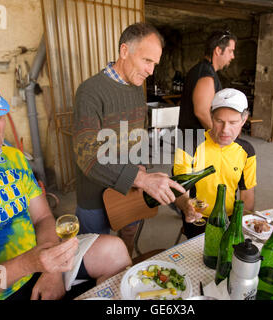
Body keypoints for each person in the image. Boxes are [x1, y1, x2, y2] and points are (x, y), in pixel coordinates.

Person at [0, 65, 132, 300]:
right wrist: (28, 265)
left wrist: (50, 271)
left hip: (38, 262)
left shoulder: (11, 156)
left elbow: (43, 217)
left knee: (114, 251)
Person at [73, 22, 186, 255]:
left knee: (127, 242)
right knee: (94, 254)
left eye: (155, 64)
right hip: (95, 198)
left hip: (130, 188)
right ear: (124, 51)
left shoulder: (136, 88)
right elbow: (87, 157)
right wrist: (143, 180)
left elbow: (141, 132)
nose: (151, 71)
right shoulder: (90, 92)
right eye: (147, 61)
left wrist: (144, 168)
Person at [173, 88, 257, 238]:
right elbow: (179, 190)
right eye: (219, 121)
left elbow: (247, 194)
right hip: (199, 218)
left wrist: (242, 223)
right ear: (211, 116)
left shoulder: (247, 151)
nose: (225, 130)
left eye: (233, 122)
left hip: (231, 218)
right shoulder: (189, 145)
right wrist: (187, 206)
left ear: (244, 120)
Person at [179, 30, 237, 133]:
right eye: (230, 51)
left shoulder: (203, 70)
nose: (233, 56)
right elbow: (202, 112)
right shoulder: (206, 75)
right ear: (218, 50)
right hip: (196, 140)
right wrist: (218, 136)